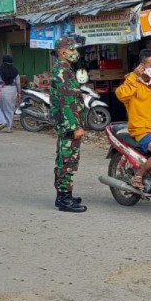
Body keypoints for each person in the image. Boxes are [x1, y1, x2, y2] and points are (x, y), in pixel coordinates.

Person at [115, 49, 151, 188]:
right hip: (141, 128)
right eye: (150, 65)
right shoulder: (132, 81)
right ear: (142, 66)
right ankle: (138, 175)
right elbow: (121, 95)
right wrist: (134, 76)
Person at [50, 34, 88, 213]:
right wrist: (75, 126)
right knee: (68, 160)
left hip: (65, 122)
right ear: (62, 52)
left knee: (64, 159)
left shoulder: (64, 68)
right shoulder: (62, 70)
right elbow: (67, 101)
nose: (76, 52)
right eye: (72, 49)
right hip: (68, 124)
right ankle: (64, 199)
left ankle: (64, 195)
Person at [0, 55, 21, 133]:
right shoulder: (15, 70)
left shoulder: (0, 70)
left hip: (3, 89)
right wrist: (19, 92)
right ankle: (9, 128)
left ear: (3, 61)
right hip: (13, 90)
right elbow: (18, 83)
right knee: (10, 109)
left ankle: (3, 121)